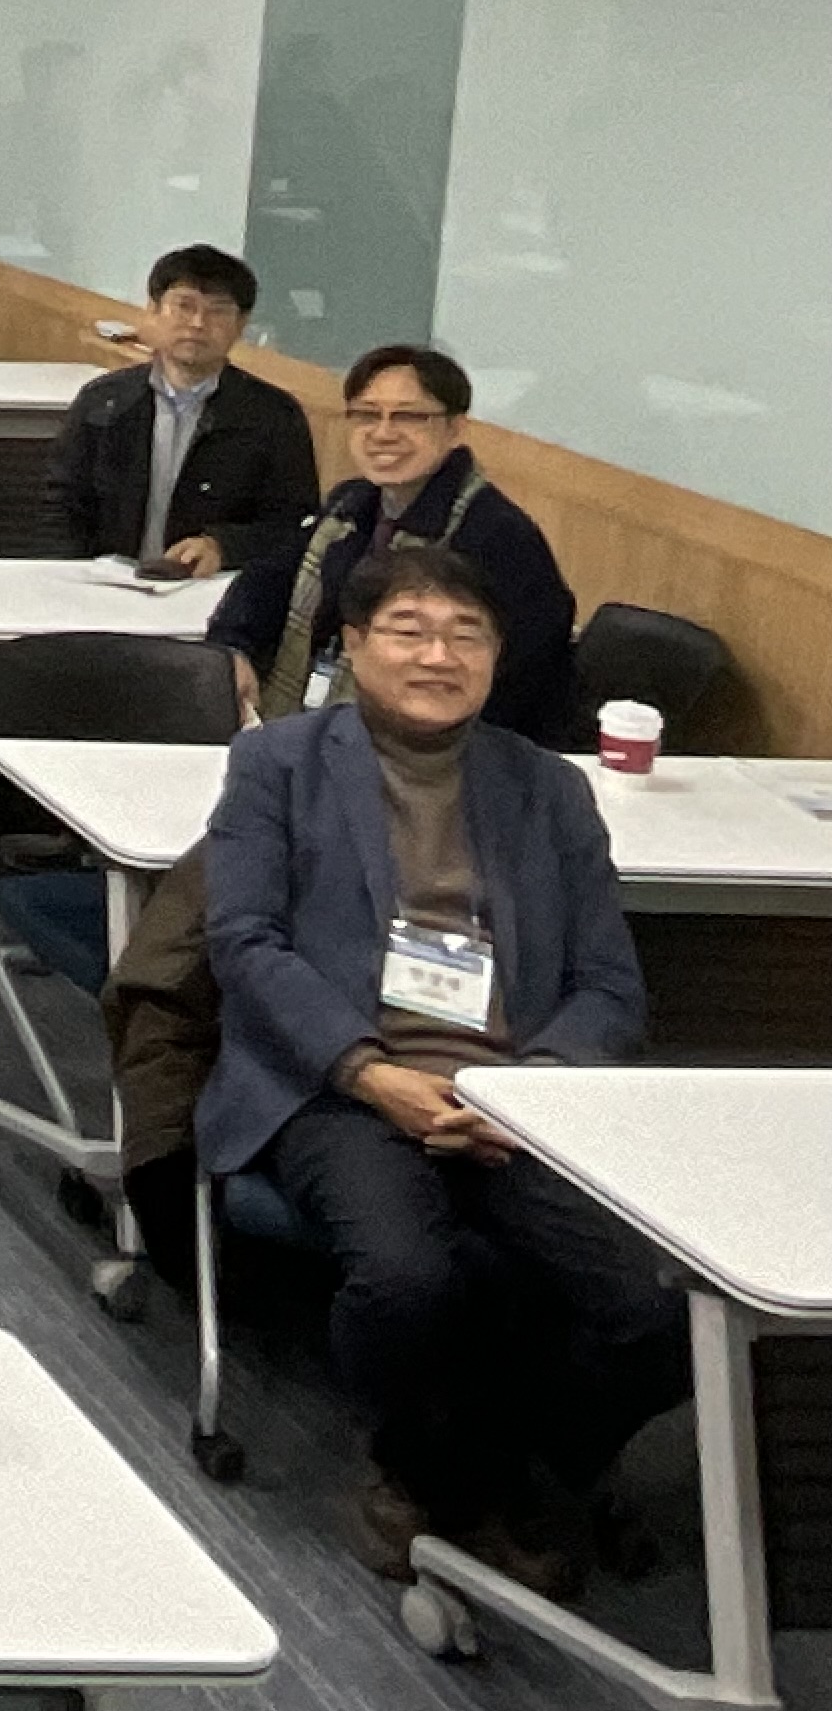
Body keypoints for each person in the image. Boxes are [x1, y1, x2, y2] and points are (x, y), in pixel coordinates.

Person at [198, 549, 683, 1593]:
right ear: (354, 645)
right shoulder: (278, 764)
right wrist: (370, 1072)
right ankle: (426, 1472)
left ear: (500, 656)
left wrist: (526, 1094)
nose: (438, 655)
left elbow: (610, 984)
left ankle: (496, 1465)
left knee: (659, 1309)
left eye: (467, 634)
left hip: (523, 1100)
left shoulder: (548, 787)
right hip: (342, 1087)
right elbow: (244, 943)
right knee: (407, 1280)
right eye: (409, 630)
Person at [209, 343, 579, 745]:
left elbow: (518, 681)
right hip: (323, 730)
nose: (383, 433)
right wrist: (232, 648)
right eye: (367, 415)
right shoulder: (351, 505)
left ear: (455, 428)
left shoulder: (498, 536)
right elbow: (270, 577)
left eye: (408, 417)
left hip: (441, 752)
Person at [51, 244, 320, 574]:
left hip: (210, 590)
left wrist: (224, 547)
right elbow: (60, 504)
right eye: (183, 306)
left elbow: (295, 525)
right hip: (101, 584)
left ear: (241, 324)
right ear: (153, 310)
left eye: (217, 311)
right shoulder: (104, 401)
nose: (197, 323)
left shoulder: (275, 416)